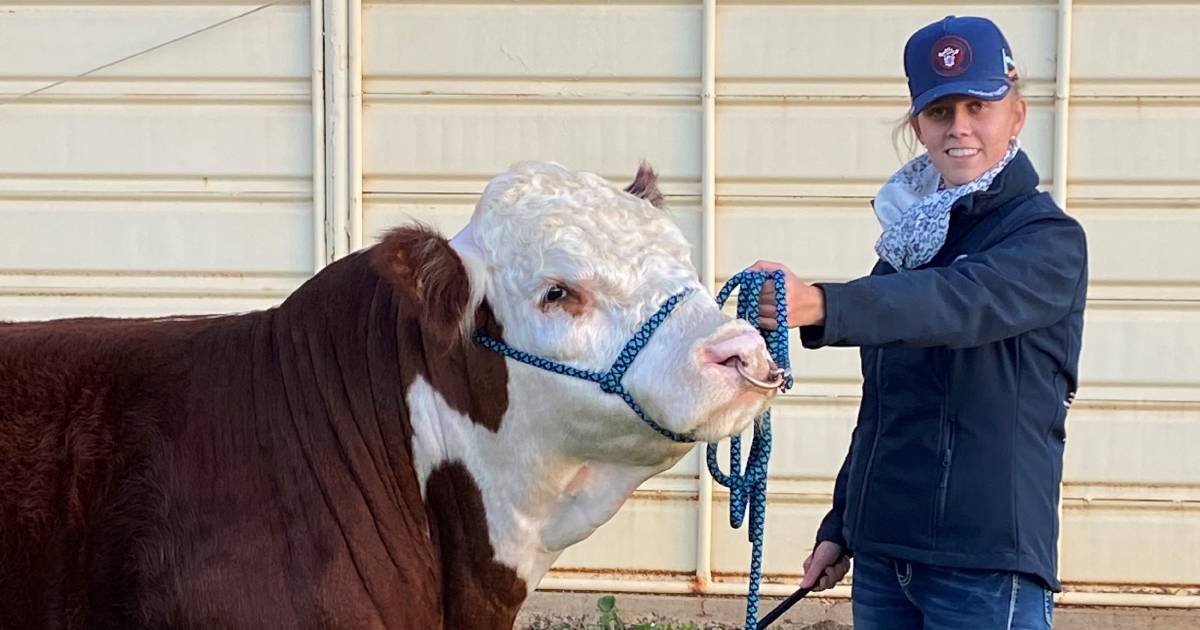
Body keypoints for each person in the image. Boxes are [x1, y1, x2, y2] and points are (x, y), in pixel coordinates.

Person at [753, 15, 1087, 629]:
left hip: (984, 566)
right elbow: (885, 409)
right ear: (918, 126)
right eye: (940, 113)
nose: (960, 128)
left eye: (977, 106)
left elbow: (957, 302)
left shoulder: (1047, 242)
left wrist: (825, 304)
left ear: (1016, 113)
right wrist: (842, 526)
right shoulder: (903, 251)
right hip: (885, 558)